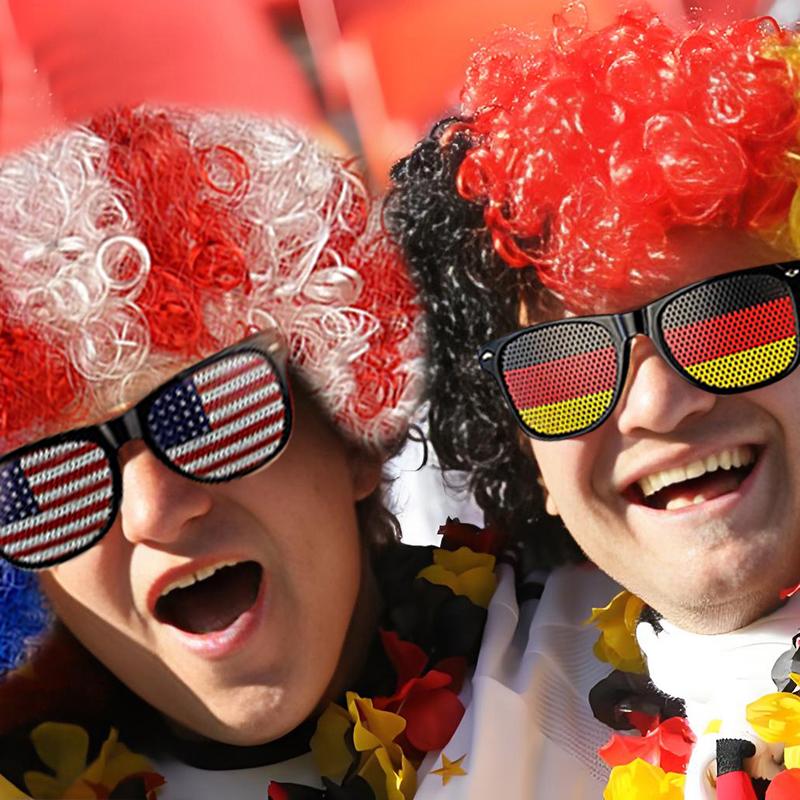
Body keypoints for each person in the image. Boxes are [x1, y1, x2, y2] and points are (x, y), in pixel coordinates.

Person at [0, 104, 505, 800]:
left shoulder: (600, 662)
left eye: (209, 410)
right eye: (52, 479)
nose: (153, 511)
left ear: (354, 435)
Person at [388, 4, 800, 797]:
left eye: (727, 319)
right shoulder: (462, 719)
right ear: (524, 448)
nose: (656, 405)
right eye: (564, 367)